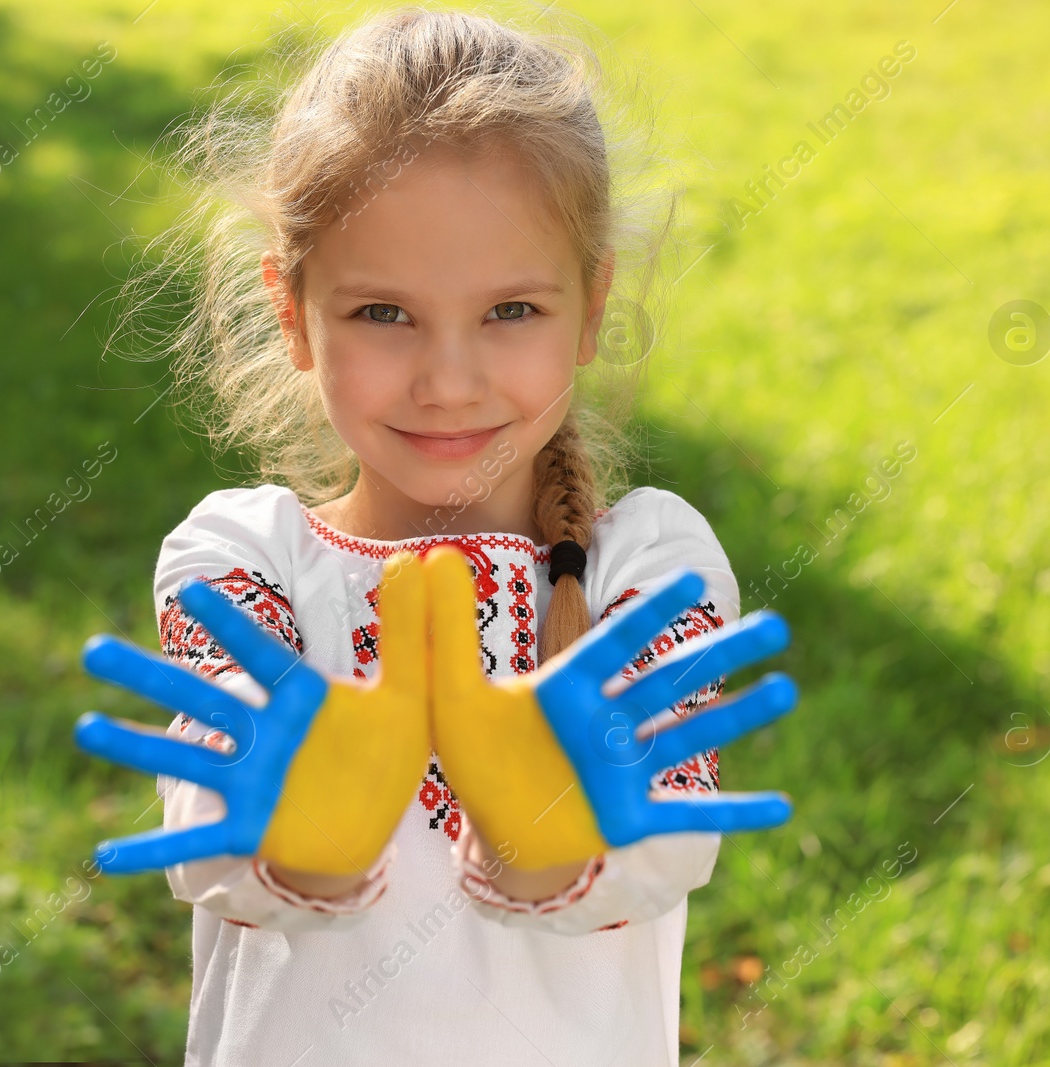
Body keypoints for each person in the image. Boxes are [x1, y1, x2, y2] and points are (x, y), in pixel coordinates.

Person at [106, 7, 774, 1064]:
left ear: (591, 305)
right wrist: (298, 830)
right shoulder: (242, 560)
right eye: (383, 312)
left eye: (510, 310)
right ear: (291, 312)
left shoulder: (645, 569)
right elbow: (213, 834)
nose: (448, 380)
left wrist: (559, 828)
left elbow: (667, 838)